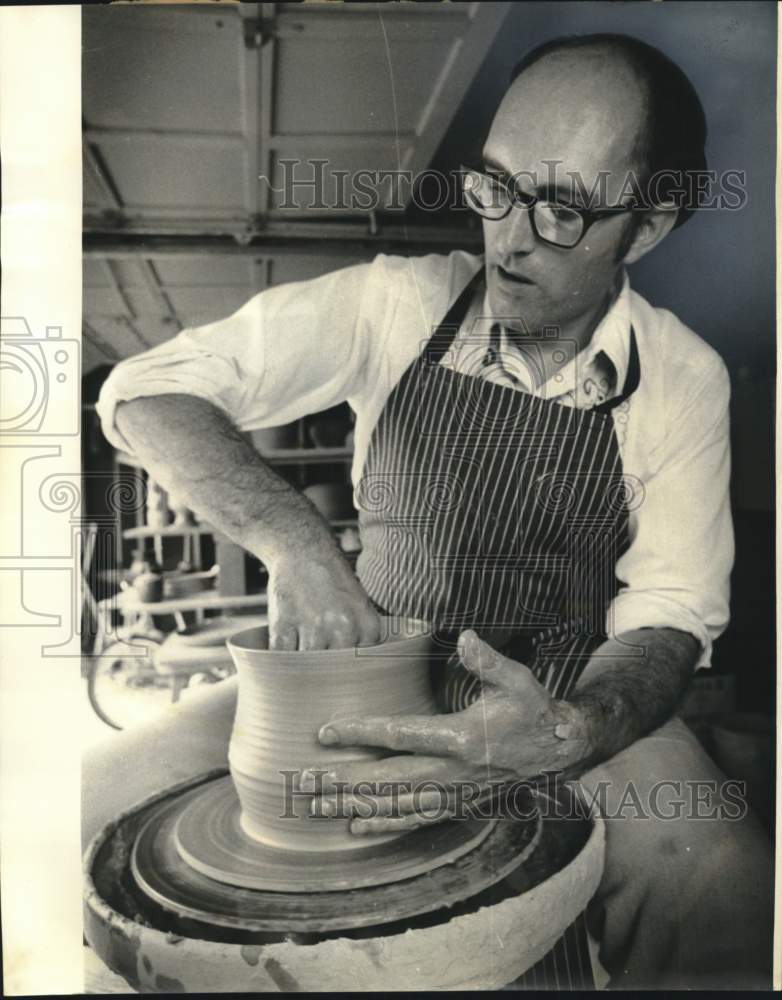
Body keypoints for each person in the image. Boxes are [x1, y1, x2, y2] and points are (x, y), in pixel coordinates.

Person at [89, 33, 772, 989]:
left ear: (648, 227)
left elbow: (670, 610)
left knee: (721, 876)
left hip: (557, 698)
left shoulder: (684, 376)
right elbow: (145, 391)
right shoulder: (395, 304)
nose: (510, 236)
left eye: (561, 208)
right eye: (493, 187)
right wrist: (296, 547)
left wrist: (573, 731)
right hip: (372, 676)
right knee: (95, 799)